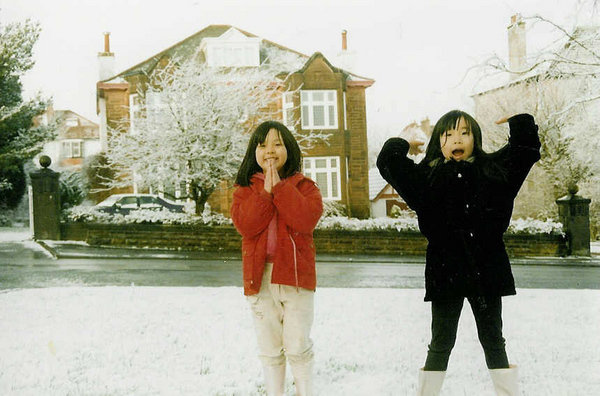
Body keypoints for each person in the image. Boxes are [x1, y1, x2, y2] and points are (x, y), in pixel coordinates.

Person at [377, 111, 541, 396]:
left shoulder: (495, 172)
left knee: (493, 340)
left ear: (475, 137)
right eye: (448, 133)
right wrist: (404, 140)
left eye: (464, 132)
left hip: (487, 270)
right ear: (437, 141)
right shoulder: (425, 177)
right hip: (445, 270)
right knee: (441, 341)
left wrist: (520, 122)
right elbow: (388, 162)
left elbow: (525, 151)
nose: (457, 139)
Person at [231, 120, 323, 396]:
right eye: (262, 145)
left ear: (289, 150)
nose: (270, 150)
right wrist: (265, 192)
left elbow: (305, 220)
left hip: (296, 280)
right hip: (260, 280)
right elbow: (246, 225)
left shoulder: (306, 187)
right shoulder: (244, 190)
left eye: (277, 144)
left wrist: (281, 188)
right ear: (253, 153)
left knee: (297, 345)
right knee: (270, 348)